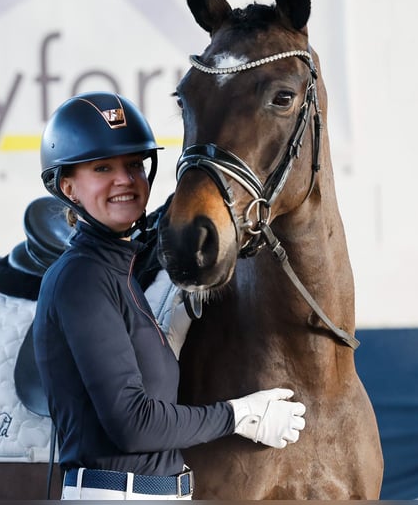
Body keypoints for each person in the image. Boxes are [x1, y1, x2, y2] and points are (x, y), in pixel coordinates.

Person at [33, 91, 306, 500]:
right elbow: (132, 425)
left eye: (133, 165)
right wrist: (239, 415)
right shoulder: (82, 278)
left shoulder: (121, 270)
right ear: (68, 187)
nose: (124, 180)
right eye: (103, 168)